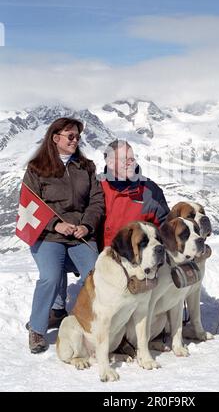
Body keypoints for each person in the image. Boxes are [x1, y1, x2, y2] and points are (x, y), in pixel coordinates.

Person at [21, 117, 105, 354]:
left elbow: (96, 201)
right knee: (50, 275)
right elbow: (28, 204)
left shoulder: (86, 167)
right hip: (48, 236)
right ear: (55, 138)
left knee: (96, 274)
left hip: (80, 235)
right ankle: (37, 329)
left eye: (78, 136)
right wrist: (54, 224)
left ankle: (95, 323)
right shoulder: (36, 168)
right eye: (70, 135)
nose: (75, 140)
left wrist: (87, 226)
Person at [99, 139, 170, 248]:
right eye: (125, 159)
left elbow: (165, 228)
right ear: (110, 163)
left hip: (137, 260)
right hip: (99, 257)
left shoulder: (150, 189)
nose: (131, 163)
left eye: (132, 159)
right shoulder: (97, 185)